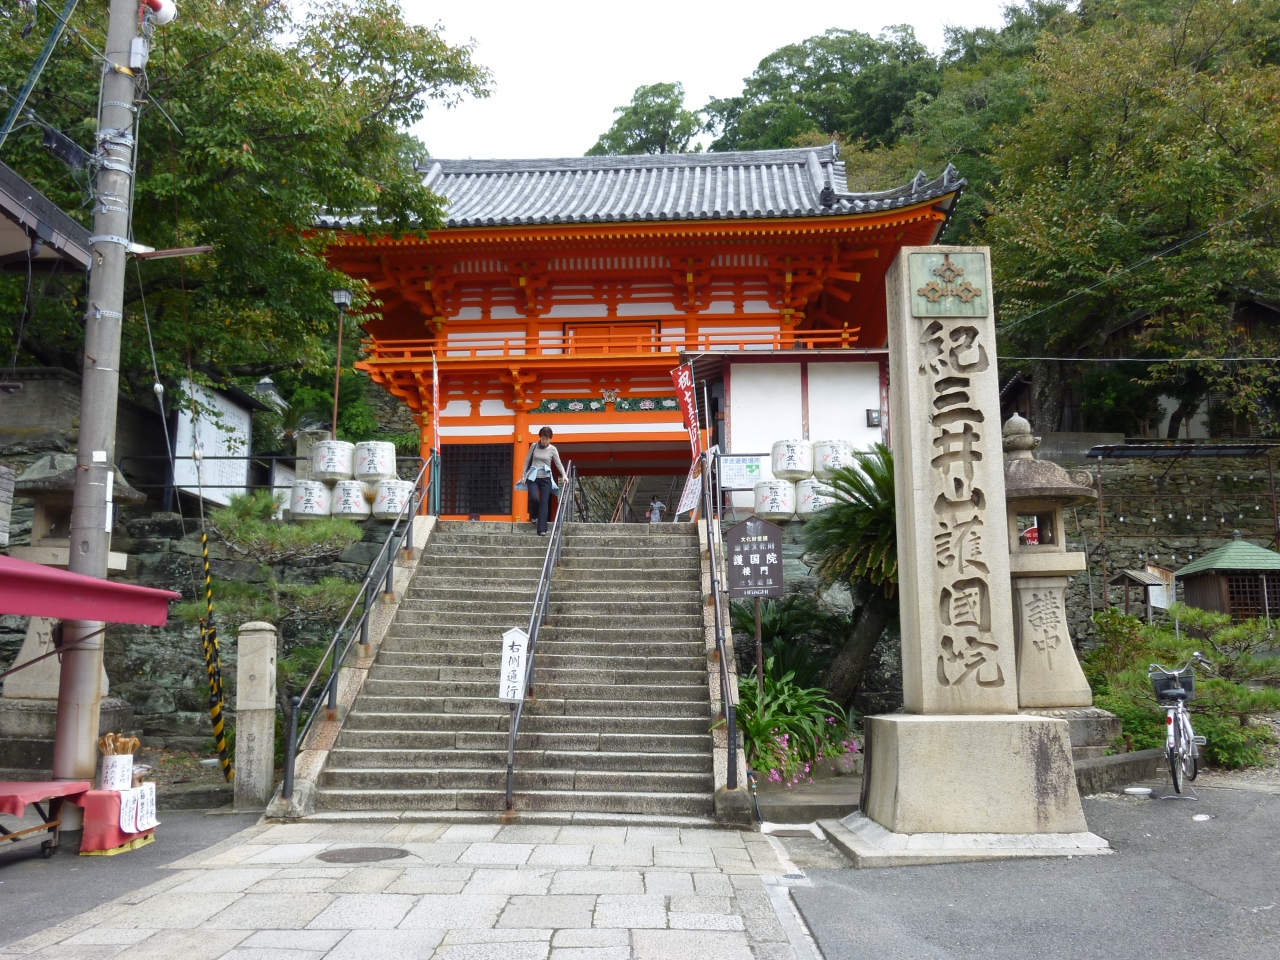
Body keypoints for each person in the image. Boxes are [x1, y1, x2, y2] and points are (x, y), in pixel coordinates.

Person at [520, 427, 566, 536]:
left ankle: (542, 529)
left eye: (547, 439)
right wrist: (523, 475)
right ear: (540, 437)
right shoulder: (534, 446)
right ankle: (534, 515)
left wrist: (564, 474)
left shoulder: (553, 449)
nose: (545, 441)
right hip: (533, 477)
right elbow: (527, 461)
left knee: (544, 503)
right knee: (534, 498)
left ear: (550, 439)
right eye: (543, 438)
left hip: (546, 479)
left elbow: (558, 463)